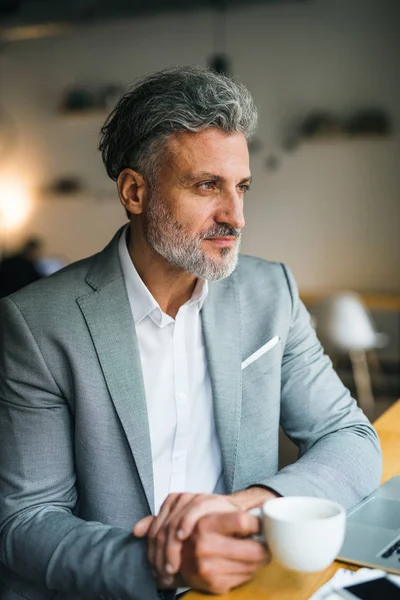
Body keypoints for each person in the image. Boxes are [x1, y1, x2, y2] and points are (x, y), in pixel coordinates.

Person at [0, 67, 381, 600]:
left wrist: (244, 504)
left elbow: (353, 440)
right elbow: (25, 522)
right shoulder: (36, 324)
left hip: (249, 586)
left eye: (241, 187)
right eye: (207, 186)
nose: (236, 216)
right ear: (135, 191)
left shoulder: (272, 293)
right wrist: (168, 565)